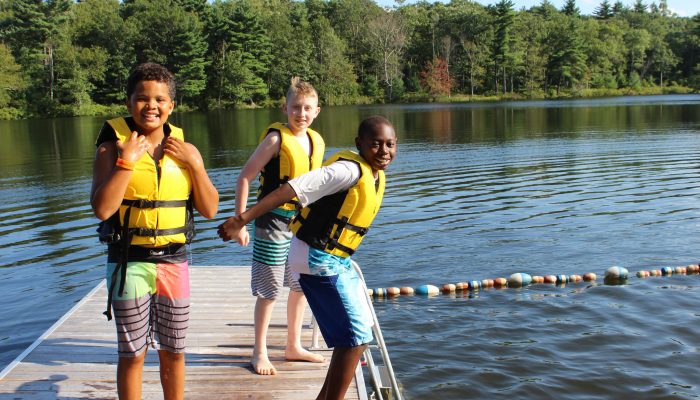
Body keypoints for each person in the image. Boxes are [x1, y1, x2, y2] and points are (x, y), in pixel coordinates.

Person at [218, 115, 398, 400]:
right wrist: (242, 218)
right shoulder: (346, 171)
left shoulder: (374, 175)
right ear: (359, 144)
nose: (384, 151)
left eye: (390, 144)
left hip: (335, 258)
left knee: (361, 334)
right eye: (375, 144)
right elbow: (289, 189)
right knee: (354, 339)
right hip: (316, 256)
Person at [90, 62, 219, 400]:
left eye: (160, 99)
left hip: (174, 263)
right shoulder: (111, 148)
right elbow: (103, 209)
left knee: (174, 350)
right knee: (132, 353)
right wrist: (126, 162)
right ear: (129, 102)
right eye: (142, 98)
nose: (151, 106)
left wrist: (196, 164)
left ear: (171, 105)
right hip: (128, 263)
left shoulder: (183, 149)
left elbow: (210, 209)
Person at [231, 77, 325, 375]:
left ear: (317, 110)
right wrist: (239, 222)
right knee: (269, 289)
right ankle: (259, 352)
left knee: (300, 285)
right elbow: (244, 177)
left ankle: (293, 345)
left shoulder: (316, 141)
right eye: (296, 107)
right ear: (285, 108)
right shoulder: (275, 140)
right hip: (271, 221)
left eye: (307, 108)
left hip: (301, 224)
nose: (301, 113)